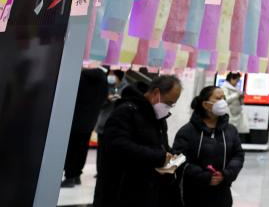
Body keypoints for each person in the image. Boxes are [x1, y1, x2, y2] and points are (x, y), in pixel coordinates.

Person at [94, 74, 182, 207]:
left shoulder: (158, 117)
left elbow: (160, 145)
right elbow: (117, 146)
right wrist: (159, 157)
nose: (169, 107)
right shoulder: (126, 111)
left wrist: (172, 158)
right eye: (169, 103)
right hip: (120, 192)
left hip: (146, 192)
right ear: (156, 93)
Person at [172, 85, 245, 207]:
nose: (223, 102)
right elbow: (178, 159)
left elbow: (238, 155)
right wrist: (204, 177)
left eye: (224, 98)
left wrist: (226, 174)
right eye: (218, 98)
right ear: (206, 105)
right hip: (193, 196)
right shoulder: (187, 131)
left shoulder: (230, 130)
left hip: (222, 194)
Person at [62, 67, 109, 188]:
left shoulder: (81, 79)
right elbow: (104, 99)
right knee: (82, 149)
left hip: (75, 120)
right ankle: (76, 175)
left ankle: (70, 177)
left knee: (71, 150)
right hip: (90, 121)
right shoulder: (103, 81)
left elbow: (72, 96)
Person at [96, 69, 128, 137]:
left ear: (118, 75)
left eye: (112, 74)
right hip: (102, 124)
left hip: (116, 126)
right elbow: (99, 104)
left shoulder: (126, 88)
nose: (109, 76)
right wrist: (107, 99)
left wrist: (120, 100)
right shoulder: (105, 85)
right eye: (109, 73)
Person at [222, 73, 249, 137]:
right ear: (231, 79)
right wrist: (236, 95)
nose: (237, 82)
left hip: (238, 113)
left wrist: (241, 98)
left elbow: (241, 102)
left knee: (237, 133)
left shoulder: (237, 88)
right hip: (230, 113)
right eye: (237, 80)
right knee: (230, 132)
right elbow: (225, 100)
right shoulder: (224, 88)